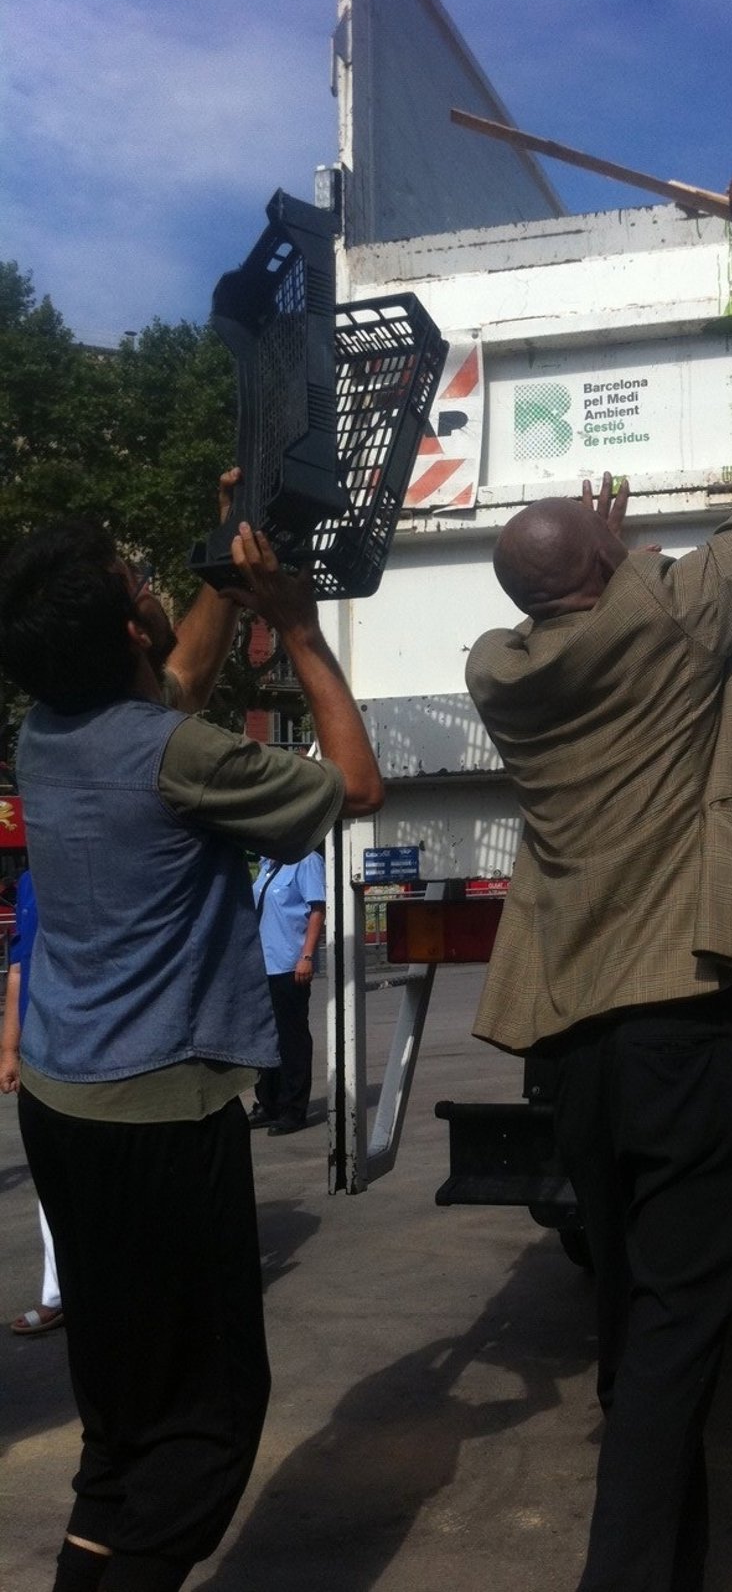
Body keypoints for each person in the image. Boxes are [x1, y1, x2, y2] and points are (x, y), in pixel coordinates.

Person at [465, 177, 732, 1591]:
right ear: (610, 567)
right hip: (685, 1044)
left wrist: (601, 545)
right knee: (682, 1334)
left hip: (580, 1056)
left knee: (636, 1319)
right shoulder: (677, 622)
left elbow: (574, 594)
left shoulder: (503, 670)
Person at [0, 502, 383, 1592]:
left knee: (123, 1411)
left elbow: (178, 679)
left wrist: (227, 551)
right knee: (207, 1422)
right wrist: (299, 628)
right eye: (140, 583)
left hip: (63, 1104)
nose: (154, 586)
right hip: (158, 1120)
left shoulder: (46, 729)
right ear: (131, 628)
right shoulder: (176, 755)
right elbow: (357, 785)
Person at [1, 867, 64, 1335]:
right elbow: (18, 969)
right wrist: (9, 1049)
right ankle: (58, 1294)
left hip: (100, 1052)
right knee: (52, 1182)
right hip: (41, 1058)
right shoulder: (28, 882)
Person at [248, 850, 327, 1135]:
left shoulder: (306, 861)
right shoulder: (267, 863)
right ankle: (268, 1104)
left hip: (289, 964)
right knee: (264, 1040)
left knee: (291, 1039)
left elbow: (317, 909)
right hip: (262, 966)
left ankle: (293, 1109)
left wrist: (307, 956)